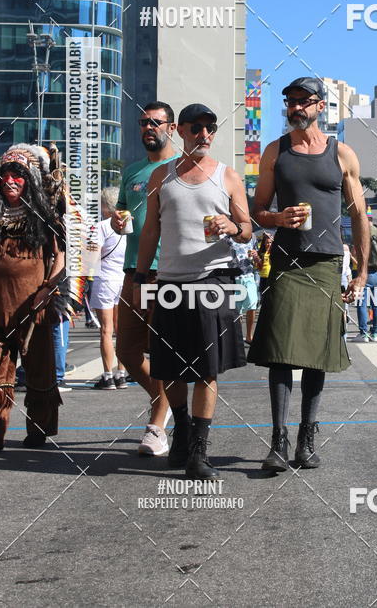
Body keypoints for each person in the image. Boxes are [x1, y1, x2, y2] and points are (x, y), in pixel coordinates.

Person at [248, 77, 368, 471]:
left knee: (316, 356)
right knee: (280, 353)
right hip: (287, 261)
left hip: (327, 263)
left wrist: (363, 272)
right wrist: (277, 218)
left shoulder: (342, 154)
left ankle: (306, 441)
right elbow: (256, 210)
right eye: (290, 101)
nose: (296, 107)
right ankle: (278, 442)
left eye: (304, 101)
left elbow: (359, 215)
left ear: (320, 106)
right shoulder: (274, 152)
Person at [135, 103, 252, 480]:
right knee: (169, 367)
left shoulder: (228, 177)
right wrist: (140, 275)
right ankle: (182, 426)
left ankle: (198, 453)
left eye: (210, 128)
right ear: (181, 131)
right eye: (197, 128)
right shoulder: (161, 178)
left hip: (213, 281)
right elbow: (151, 230)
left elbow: (248, 229)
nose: (204, 135)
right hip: (169, 282)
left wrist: (231, 226)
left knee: (206, 370)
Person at [113, 101, 177, 456]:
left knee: (165, 351)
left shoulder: (181, 168)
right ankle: (164, 400)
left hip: (168, 272)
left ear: (171, 127)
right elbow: (121, 211)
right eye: (143, 122)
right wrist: (117, 222)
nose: (148, 128)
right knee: (126, 350)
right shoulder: (133, 171)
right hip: (133, 271)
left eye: (155, 122)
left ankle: (157, 423)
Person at [0, 145, 66, 450]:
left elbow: (61, 258)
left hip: (33, 309)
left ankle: (39, 429)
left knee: (38, 370)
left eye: (18, 176)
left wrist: (47, 288)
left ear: (29, 180)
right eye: (5, 175)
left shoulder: (44, 216)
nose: (10, 180)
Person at [91, 187, 127, 390]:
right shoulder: (128, 226)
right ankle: (121, 373)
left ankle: (107, 375)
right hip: (123, 279)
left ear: (105, 206)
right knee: (121, 329)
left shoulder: (101, 227)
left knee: (106, 331)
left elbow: (92, 256)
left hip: (105, 279)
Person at [351, 215, 377, 342]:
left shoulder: (361, 233)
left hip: (364, 273)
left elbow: (355, 252)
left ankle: (363, 333)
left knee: (362, 303)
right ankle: (375, 333)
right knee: (376, 304)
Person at [233, 233, 260, 344]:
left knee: (252, 304)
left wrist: (256, 257)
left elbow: (258, 261)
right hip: (234, 276)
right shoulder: (229, 236)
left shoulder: (252, 237)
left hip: (249, 276)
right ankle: (238, 336)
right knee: (237, 309)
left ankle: (249, 335)